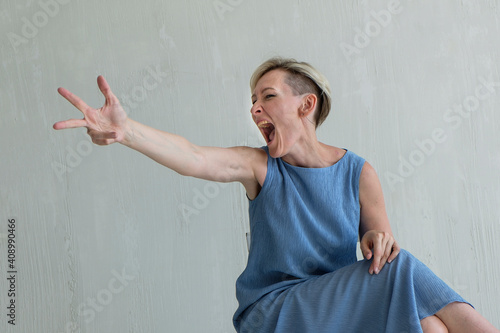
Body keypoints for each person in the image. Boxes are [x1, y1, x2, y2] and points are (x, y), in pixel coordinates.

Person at [53, 57, 499, 332]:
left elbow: (384, 250)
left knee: (429, 326)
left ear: (306, 106)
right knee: (405, 275)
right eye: (253, 100)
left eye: (267, 96)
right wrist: (125, 131)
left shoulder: (359, 173)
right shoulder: (260, 167)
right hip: (275, 316)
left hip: (339, 316)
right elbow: (192, 155)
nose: (255, 108)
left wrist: (376, 241)